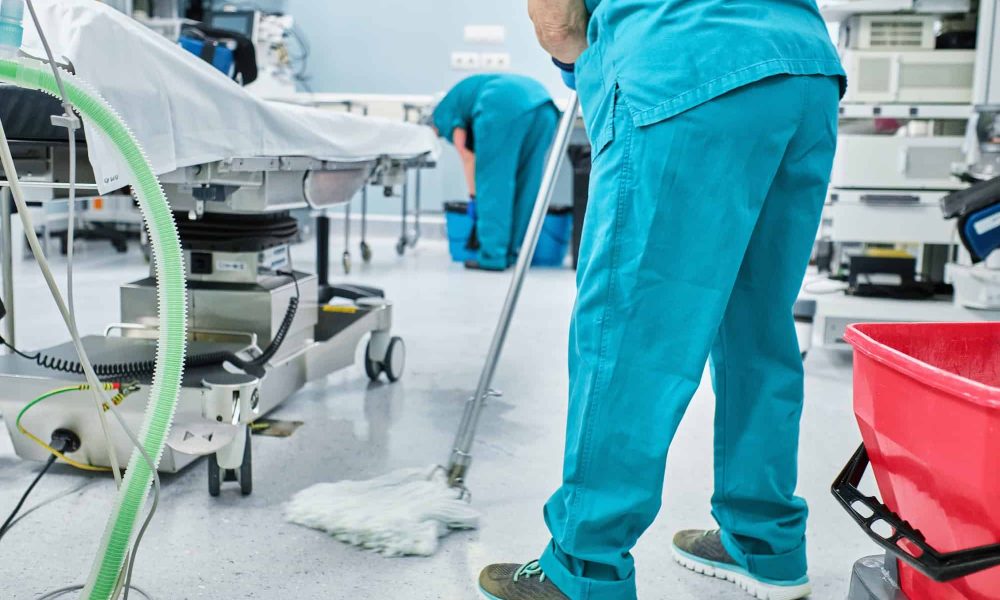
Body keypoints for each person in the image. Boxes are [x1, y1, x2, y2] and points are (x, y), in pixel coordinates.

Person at [478, 0, 846, 599]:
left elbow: (558, 20)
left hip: (685, 68)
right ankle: (764, 541)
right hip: (805, 71)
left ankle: (584, 566)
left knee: (630, 332)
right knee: (758, 323)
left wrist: (578, 57)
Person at [431, 74, 559, 271]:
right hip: (544, 107)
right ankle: (511, 252)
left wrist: (474, 197)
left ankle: (492, 256)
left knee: (494, 184)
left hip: (502, 107)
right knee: (527, 184)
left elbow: (466, 155)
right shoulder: (467, 91)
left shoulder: (442, 115)